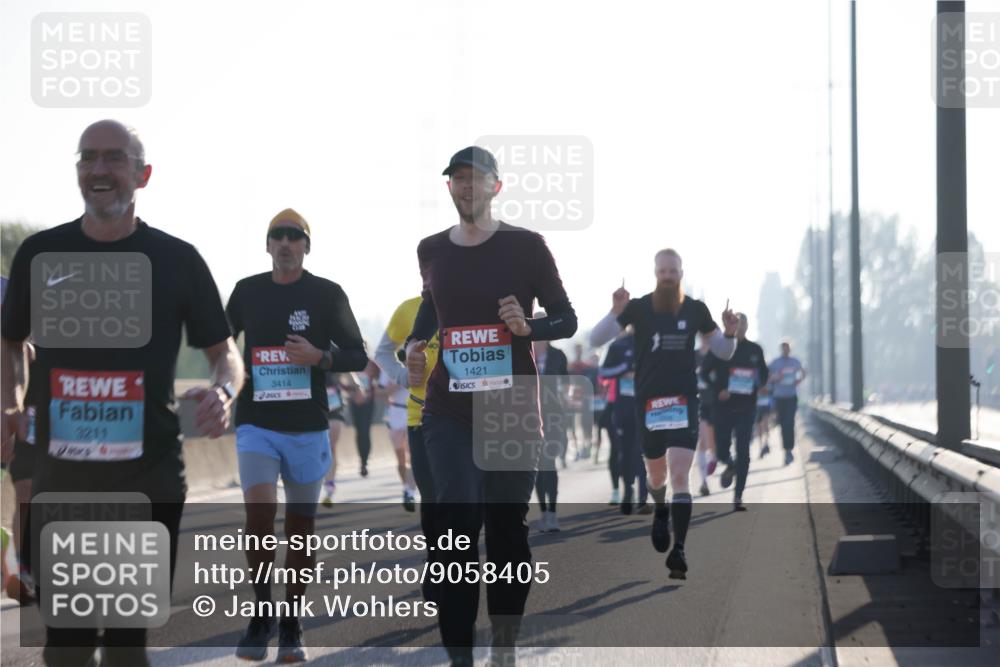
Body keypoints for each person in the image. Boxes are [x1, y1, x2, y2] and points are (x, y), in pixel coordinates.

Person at [0, 120, 243, 667]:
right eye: (87, 157)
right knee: (67, 643)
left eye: (114, 158)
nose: (99, 169)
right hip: (63, 476)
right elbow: (10, 340)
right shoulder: (41, 253)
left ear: (143, 174)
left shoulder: (177, 260)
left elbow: (224, 351)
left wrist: (224, 391)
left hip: (148, 475)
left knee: (126, 642)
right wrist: (9, 401)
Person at [405, 146, 577, 666]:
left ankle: (504, 645)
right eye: (458, 178)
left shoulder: (527, 246)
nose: (467, 186)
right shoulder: (432, 249)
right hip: (449, 411)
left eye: (476, 178)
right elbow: (431, 308)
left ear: (496, 187)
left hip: (512, 409)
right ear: (450, 187)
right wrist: (412, 346)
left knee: (506, 535)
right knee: (456, 528)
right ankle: (460, 655)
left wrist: (528, 327)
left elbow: (566, 318)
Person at [225, 208, 368, 661]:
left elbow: (357, 355)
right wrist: (220, 385)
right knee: (259, 513)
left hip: (307, 426)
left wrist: (319, 357)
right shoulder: (246, 291)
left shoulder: (327, 294)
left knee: (301, 527)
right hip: (256, 422)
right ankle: (261, 613)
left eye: (294, 236)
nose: (285, 242)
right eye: (277, 236)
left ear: (306, 245)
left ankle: (291, 622)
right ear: (267, 245)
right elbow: (221, 346)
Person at [590, 250, 738, 579]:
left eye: (673, 270)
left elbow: (724, 351)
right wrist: (615, 311)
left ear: (681, 272)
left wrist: (729, 333)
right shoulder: (639, 307)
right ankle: (660, 508)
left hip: (684, 401)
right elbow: (595, 339)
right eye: (662, 271)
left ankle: (679, 550)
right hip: (648, 403)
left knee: (681, 475)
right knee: (657, 476)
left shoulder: (696, 309)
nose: (668, 276)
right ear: (655, 273)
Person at [375, 296, 441, 602]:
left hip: (471, 419)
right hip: (420, 417)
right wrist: (403, 376)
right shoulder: (409, 309)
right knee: (432, 498)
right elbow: (382, 352)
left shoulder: (474, 297)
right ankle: (437, 563)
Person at [700, 313, 769, 511]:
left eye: (743, 323)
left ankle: (738, 496)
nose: (740, 326)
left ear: (747, 326)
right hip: (723, 407)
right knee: (721, 450)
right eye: (737, 323)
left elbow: (764, 372)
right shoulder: (720, 348)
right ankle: (729, 464)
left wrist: (761, 385)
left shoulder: (755, 349)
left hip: (747, 407)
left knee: (744, 452)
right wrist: (718, 390)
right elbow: (704, 373)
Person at [374, 305, 426, 512]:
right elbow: (380, 392)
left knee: (413, 454)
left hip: (414, 411)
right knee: (400, 457)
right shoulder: (390, 367)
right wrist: (394, 384)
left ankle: (409, 491)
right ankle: (406, 486)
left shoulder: (421, 361)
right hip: (395, 412)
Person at [598, 327, 650, 515]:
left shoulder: (651, 341)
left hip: (646, 406)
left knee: (642, 451)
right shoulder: (617, 346)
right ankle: (628, 491)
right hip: (623, 408)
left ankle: (643, 498)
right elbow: (603, 372)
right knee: (625, 452)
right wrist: (625, 368)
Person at [532, 313, 569, 532]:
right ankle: (543, 512)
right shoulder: (523, 353)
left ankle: (552, 514)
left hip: (553, 416)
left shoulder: (558, 355)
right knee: (538, 466)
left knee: (550, 463)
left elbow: (566, 385)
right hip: (528, 417)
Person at [767, 340, 806, 465]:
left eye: (787, 348)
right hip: (779, 397)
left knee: (790, 422)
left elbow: (803, 372)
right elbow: (767, 376)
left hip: (791, 396)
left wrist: (799, 380)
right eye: (783, 348)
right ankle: (786, 450)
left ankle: (790, 449)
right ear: (781, 349)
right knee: (783, 424)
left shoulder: (795, 361)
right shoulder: (775, 362)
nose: (785, 350)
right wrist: (774, 378)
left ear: (790, 349)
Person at [694, 335, 718, 496]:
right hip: (699, 402)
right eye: (703, 335)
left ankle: (714, 458)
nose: (705, 339)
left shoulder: (717, 356)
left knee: (713, 441)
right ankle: (704, 482)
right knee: (702, 441)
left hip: (716, 402)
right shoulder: (693, 355)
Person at [347, 360, 379, 477]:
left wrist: (371, 391)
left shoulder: (372, 364)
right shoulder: (350, 363)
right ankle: (362, 460)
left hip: (368, 403)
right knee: (359, 432)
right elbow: (343, 382)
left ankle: (364, 462)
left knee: (365, 431)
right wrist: (353, 392)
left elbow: (380, 379)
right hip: (354, 403)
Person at [320, 372, 346, 507]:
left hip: (334, 407)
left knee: (331, 447)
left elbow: (349, 369)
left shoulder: (333, 361)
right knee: (318, 448)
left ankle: (329, 483)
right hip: (315, 407)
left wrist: (357, 386)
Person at [755, 385, 773, 458]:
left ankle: (766, 444)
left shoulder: (768, 380)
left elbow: (770, 389)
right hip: (757, 406)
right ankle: (761, 447)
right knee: (759, 428)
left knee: (766, 425)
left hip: (766, 405)